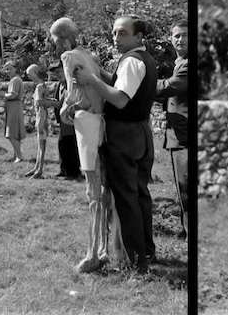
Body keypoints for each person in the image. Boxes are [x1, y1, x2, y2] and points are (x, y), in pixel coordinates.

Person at [74, 15, 158, 274]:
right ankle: (146, 251)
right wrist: (99, 73)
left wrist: (92, 81)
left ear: (138, 37)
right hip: (141, 132)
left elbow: (120, 99)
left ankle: (136, 264)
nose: (115, 38)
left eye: (122, 33)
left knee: (126, 200)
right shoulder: (143, 59)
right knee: (140, 194)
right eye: (113, 33)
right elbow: (122, 84)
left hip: (125, 135)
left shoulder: (132, 61)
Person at [51, 17, 125, 274]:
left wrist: (65, 109)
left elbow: (76, 95)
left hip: (86, 124)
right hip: (100, 122)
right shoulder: (89, 55)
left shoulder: (69, 57)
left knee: (93, 192)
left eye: (55, 40)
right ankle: (105, 248)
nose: (55, 45)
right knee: (103, 189)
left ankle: (93, 254)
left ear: (61, 38)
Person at [155, 19, 189, 240]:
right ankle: (186, 229)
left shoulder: (188, 64)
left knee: (187, 186)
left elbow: (172, 87)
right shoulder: (180, 62)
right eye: (177, 35)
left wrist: (143, 82)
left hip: (186, 136)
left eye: (185, 35)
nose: (181, 39)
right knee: (182, 187)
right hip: (178, 135)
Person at [48, 61, 81, 179]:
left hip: (71, 120)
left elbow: (64, 103)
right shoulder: (59, 85)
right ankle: (64, 169)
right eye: (55, 73)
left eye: (59, 72)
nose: (57, 75)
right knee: (62, 145)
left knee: (71, 145)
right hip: (63, 121)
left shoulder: (70, 84)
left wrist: (48, 102)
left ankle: (74, 172)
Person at [24, 64, 51, 179]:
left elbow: (41, 105)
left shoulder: (40, 87)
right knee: (40, 144)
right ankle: (37, 166)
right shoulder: (41, 86)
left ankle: (39, 168)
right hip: (40, 117)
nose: (30, 77)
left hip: (42, 117)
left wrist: (40, 122)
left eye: (30, 74)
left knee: (42, 144)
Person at [1, 61, 26, 162]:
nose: (8, 71)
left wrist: (2, 94)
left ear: (15, 68)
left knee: (11, 132)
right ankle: (16, 154)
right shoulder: (16, 79)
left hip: (14, 106)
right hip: (15, 106)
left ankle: (19, 156)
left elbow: (13, 95)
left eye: (10, 68)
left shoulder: (15, 80)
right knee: (15, 132)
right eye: (6, 69)